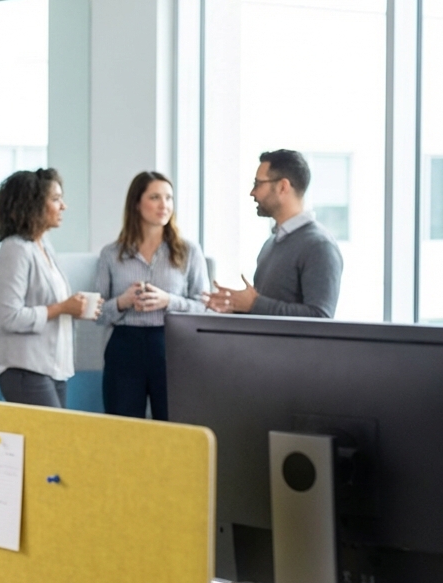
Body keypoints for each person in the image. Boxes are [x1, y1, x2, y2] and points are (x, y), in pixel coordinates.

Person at [94, 172, 209, 420]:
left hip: (171, 345)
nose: (164, 205)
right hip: (124, 347)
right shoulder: (111, 254)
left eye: (168, 198)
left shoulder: (189, 251)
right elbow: (98, 314)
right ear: (137, 203)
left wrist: (169, 301)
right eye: (155, 197)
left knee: (173, 426)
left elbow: (204, 307)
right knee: (122, 426)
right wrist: (123, 302)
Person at [0, 168, 100, 408]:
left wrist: (73, 308)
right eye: (56, 199)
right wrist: (61, 308)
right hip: (25, 369)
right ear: (33, 205)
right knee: (51, 443)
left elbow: (51, 304)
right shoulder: (15, 249)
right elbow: (9, 317)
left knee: (53, 444)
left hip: (53, 368)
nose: (63, 206)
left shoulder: (43, 246)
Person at [205, 149, 343, 318]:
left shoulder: (319, 246)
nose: (252, 192)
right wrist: (237, 307)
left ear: (283, 187)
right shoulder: (271, 243)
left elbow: (320, 317)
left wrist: (254, 304)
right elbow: (266, 314)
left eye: (258, 184)